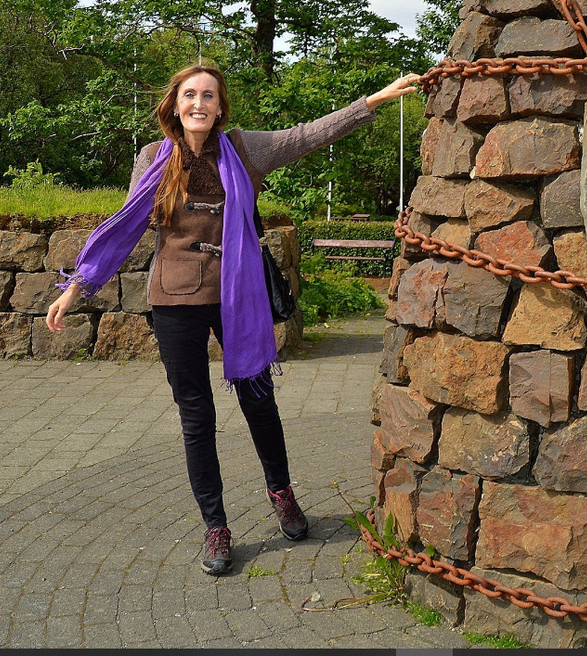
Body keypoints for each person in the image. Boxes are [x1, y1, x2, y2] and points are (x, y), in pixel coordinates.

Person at [46, 63, 420, 575]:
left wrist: (377, 98)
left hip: (236, 295)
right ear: (175, 105)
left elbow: (310, 134)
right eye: (189, 95)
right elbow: (125, 226)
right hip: (174, 298)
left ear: (220, 107)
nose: (198, 104)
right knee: (195, 417)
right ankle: (216, 527)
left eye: (208, 96)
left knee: (258, 401)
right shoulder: (153, 158)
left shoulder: (246, 149)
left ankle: (282, 493)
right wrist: (75, 289)